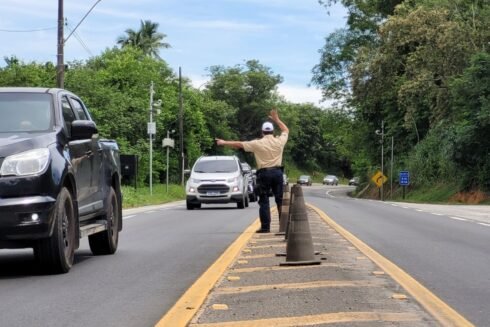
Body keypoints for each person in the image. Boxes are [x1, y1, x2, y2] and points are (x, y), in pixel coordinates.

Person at [215, 109, 289, 233]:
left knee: (264, 200)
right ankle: (283, 227)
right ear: (272, 131)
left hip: (264, 173)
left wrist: (224, 142)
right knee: (280, 199)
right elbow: (286, 130)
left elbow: (239, 144)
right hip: (277, 173)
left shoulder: (257, 143)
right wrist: (277, 119)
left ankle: (265, 227)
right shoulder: (279, 142)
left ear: (262, 132)